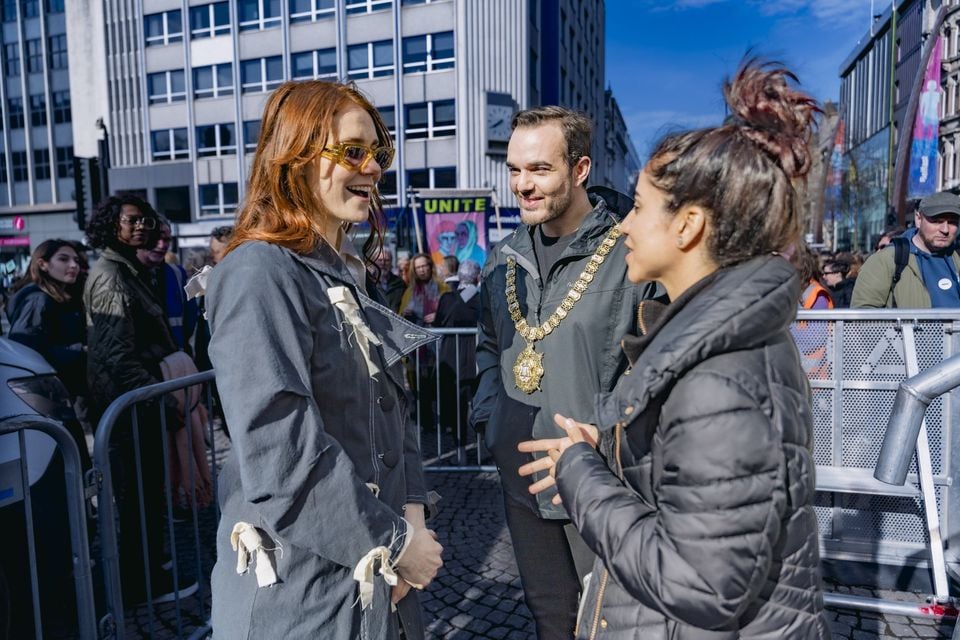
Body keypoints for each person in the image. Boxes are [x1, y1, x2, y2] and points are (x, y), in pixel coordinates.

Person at [518, 59, 829, 639]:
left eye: (638, 208)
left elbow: (701, 586)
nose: (625, 227)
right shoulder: (711, 345)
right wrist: (607, 451)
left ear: (687, 226)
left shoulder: (720, 375)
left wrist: (579, 472)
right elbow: (682, 486)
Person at [205, 80, 442, 640]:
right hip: (300, 595)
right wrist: (396, 544)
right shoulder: (258, 272)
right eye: (353, 151)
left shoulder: (345, 272)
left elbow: (392, 407)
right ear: (295, 156)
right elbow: (280, 450)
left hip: (368, 585)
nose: (374, 168)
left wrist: (411, 510)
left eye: (378, 154)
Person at [471, 105, 658, 639]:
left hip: (600, 479)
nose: (522, 185)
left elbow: (659, 366)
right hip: (522, 477)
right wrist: (491, 421)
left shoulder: (630, 252)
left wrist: (608, 440)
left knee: (611, 622)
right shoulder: (503, 257)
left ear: (579, 170)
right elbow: (489, 344)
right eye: (514, 170)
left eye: (539, 170)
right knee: (549, 617)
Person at [84, 194, 197, 604]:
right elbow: (116, 356)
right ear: (112, 224)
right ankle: (141, 585)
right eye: (131, 220)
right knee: (137, 502)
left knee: (148, 498)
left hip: (138, 403)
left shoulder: (130, 270)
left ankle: (149, 568)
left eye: (146, 221)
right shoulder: (112, 274)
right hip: (130, 406)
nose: (141, 227)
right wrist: (161, 400)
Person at [7, 240, 86, 400]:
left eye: (76, 260)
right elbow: (26, 349)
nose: (73, 265)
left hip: (62, 387)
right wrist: (80, 351)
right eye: (63, 259)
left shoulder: (63, 297)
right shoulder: (38, 299)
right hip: (48, 394)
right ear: (42, 264)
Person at [852, 192, 960, 308]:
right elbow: (863, 315)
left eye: (952, 222)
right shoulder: (886, 260)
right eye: (937, 221)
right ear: (918, 219)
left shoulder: (955, 259)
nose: (945, 229)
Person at [136, 219, 198, 352]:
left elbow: (189, 321)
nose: (161, 245)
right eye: (156, 238)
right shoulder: (127, 275)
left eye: (167, 240)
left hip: (176, 358)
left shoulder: (177, 274)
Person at [435, 259, 481, 435]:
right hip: (473, 356)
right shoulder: (481, 299)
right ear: (477, 278)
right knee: (476, 401)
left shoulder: (447, 299)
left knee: (456, 403)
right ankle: (481, 445)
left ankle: (460, 446)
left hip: (451, 354)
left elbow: (439, 322)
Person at [399, 253, 449, 326]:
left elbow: (450, 311)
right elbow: (400, 314)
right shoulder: (410, 291)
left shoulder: (443, 288)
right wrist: (405, 313)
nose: (421, 270)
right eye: (418, 267)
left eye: (424, 266)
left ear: (430, 267)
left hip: (438, 330)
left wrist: (438, 316)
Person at [371, 246, 406, 312]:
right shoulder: (368, 283)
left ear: (391, 262)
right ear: (374, 262)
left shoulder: (400, 283)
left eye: (386, 260)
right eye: (380, 260)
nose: (383, 263)